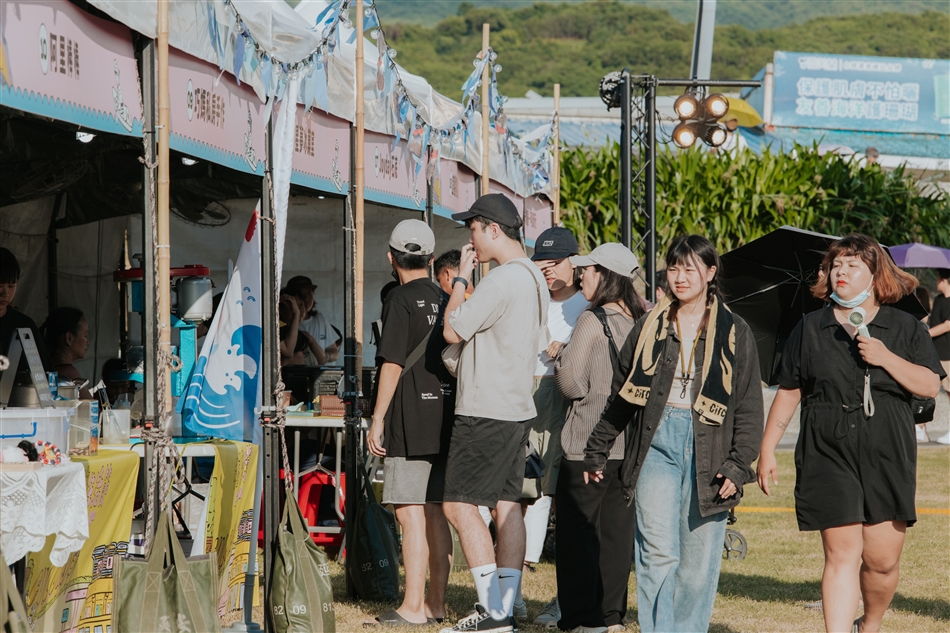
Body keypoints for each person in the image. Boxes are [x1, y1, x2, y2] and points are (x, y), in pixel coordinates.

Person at [757, 234, 943, 633]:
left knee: (882, 561)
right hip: (827, 447)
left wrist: (885, 357)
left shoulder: (905, 327)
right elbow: (789, 391)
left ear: (876, 275)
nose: (841, 272)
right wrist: (768, 448)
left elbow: (929, 385)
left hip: (887, 448)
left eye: (852, 265)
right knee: (840, 556)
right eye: (835, 265)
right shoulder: (810, 327)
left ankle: (869, 624)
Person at [585, 235, 763, 633]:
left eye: (690, 269)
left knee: (697, 562)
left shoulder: (735, 332)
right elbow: (622, 393)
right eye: (673, 268)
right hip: (657, 443)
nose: (680, 277)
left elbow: (749, 407)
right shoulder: (650, 325)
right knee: (657, 553)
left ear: (710, 273)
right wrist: (598, 447)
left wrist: (738, 466)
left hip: (711, 448)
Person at [441, 194, 548, 633]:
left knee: (457, 504)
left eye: (473, 230)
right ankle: (503, 609)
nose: (471, 240)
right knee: (507, 505)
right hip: (517, 407)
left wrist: (461, 280)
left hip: (485, 408)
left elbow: (452, 329)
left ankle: (492, 611)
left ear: (493, 229)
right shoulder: (534, 277)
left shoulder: (500, 280)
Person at [554, 243, 644, 633]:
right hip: (627, 446)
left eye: (587, 270)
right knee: (616, 537)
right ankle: (611, 616)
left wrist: (560, 357)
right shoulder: (641, 322)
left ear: (605, 275)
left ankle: (582, 619)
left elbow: (572, 384)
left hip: (586, 446)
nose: (580, 277)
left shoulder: (592, 320)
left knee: (578, 535)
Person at [368, 219, 455, 626]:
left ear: (391, 257)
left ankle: (413, 607)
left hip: (410, 417)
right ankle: (436, 605)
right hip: (448, 416)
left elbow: (392, 363)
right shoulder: (446, 297)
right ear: (432, 259)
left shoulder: (399, 299)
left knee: (409, 512)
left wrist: (377, 418)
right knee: (436, 512)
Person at [516, 227, 588, 624]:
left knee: (564, 499)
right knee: (518, 495)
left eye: (555, 263)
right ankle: (511, 595)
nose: (547, 271)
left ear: (574, 263)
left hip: (565, 399)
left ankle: (565, 598)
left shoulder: (588, 303)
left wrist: (570, 347)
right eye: (541, 263)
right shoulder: (531, 297)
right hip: (522, 396)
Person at [1, 248, 51, 381]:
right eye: (0, 286)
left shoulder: (24, 325)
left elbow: (44, 374)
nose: (5, 293)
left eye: (11, 286)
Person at [284, 275, 341, 364]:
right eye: (302, 295)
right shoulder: (284, 322)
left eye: (309, 294)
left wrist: (325, 356)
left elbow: (333, 350)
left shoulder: (320, 319)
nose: (307, 299)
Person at [40, 307, 92, 399]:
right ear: (69, 338)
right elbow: (91, 406)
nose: (87, 341)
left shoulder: (47, 369)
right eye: (85, 335)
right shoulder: (70, 373)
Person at [928, 269, 950, 445]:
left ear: (944, 280)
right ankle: (921, 428)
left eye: (938, 278)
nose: (936, 281)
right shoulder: (938, 300)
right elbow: (933, 320)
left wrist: (926, 334)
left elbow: (947, 325)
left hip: (948, 353)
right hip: (937, 352)